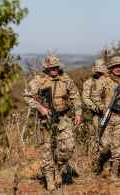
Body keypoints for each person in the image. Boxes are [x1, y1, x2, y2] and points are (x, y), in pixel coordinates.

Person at [24, 53, 82, 191]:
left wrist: (78, 112)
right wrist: (41, 108)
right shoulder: (39, 81)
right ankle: (50, 180)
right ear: (46, 68)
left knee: (68, 147)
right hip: (46, 120)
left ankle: (59, 167)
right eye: (51, 68)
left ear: (58, 67)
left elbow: (75, 96)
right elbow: (27, 96)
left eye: (55, 67)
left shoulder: (66, 80)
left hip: (63, 118)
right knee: (47, 151)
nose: (53, 70)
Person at [82, 58, 107, 173]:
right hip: (97, 115)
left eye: (102, 70)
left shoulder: (110, 81)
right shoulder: (89, 83)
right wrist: (96, 108)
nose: (100, 72)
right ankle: (97, 164)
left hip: (112, 114)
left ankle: (110, 164)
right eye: (98, 70)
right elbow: (86, 99)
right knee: (98, 138)